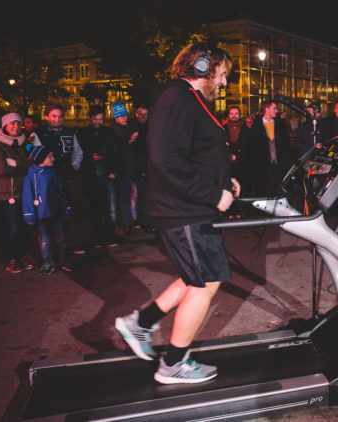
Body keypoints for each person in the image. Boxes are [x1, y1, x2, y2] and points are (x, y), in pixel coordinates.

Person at [114, 42, 238, 384]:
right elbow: (166, 161)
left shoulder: (188, 101)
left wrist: (226, 183)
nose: (225, 83)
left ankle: (139, 323)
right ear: (202, 67)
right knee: (206, 282)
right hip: (184, 210)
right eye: (223, 74)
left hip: (190, 206)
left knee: (193, 276)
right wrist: (213, 193)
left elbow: (192, 153)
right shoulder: (176, 99)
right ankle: (174, 364)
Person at [31, 102, 84, 254]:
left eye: (60, 116)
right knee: (47, 214)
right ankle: (48, 248)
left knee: (69, 212)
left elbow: (78, 151)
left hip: (67, 177)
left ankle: (69, 244)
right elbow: (35, 155)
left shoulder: (69, 131)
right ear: (47, 116)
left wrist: (73, 166)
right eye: (54, 116)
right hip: (46, 180)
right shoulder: (38, 133)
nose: (57, 119)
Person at [0, 112, 33, 273]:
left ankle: (22, 255)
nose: (15, 126)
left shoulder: (24, 143)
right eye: (12, 123)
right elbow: (2, 169)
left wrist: (15, 163)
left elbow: (32, 160)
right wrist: (23, 164)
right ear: (4, 126)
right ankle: (11, 258)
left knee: (25, 226)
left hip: (25, 191)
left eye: (18, 123)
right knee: (13, 227)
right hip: (8, 193)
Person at [22, 145, 72, 275]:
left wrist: (66, 207)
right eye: (50, 156)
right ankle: (48, 263)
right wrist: (29, 215)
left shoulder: (54, 173)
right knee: (45, 240)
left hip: (56, 211)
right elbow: (27, 196)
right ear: (42, 159)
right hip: (41, 213)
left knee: (61, 237)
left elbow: (61, 192)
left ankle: (63, 260)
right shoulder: (30, 176)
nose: (53, 158)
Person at [77, 105, 119, 248]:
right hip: (91, 175)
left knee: (110, 208)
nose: (97, 122)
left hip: (106, 174)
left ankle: (109, 235)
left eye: (100, 119)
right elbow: (79, 154)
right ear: (90, 118)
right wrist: (90, 158)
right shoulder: (83, 133)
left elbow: (115, 152)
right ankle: (99, 237)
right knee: (94, 209)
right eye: (95, 119)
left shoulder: (109, 133)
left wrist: (113, 171)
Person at [111, 102, 154, 234]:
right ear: (116, 117)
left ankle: (146, 222)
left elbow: (140, 147)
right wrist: (129, 141)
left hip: (136, 168)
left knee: (143, 195)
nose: (124, 118)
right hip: (123, 170)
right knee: (124, 198)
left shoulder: (132, 126)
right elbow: (115, 151)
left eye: (125, 115)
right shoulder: (113, 131)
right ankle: (127, 224)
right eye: (121, 116)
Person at [249, 100, 291, 196]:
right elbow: (252, 149)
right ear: (267, 109)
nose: (277, 111)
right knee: (262, 192)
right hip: (262, 167)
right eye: (274, 108)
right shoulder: (256, 126)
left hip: (279, 166)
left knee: (279, 192)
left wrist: (285, 160)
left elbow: (286, 145)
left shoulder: (280, 125)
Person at [223, 105, 253, 198]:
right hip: (227, 166)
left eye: (236, 113)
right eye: (232, 113)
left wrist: (235, 154)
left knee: (242, 190)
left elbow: (247, 145)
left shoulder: (246, 129)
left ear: (240, 115)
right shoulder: (223, 129)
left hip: (242, 164)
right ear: (228, 115)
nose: (234, 115)